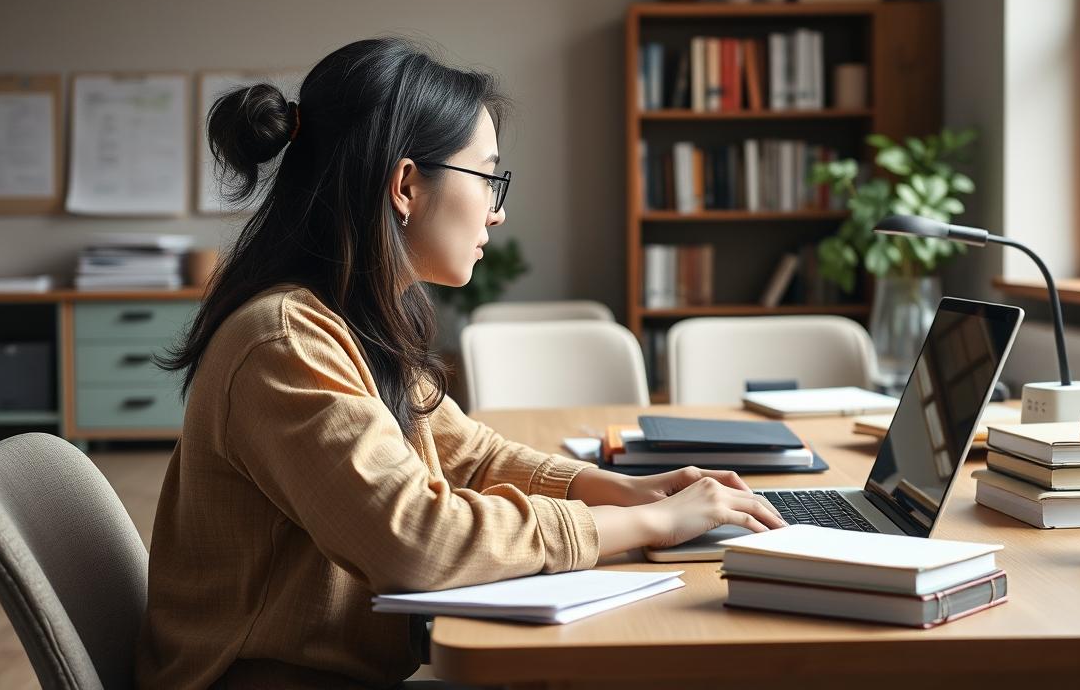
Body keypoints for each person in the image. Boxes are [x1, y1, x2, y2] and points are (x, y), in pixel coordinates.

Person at [135, 37, 784, 689]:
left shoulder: (350, 319)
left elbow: (468, 456)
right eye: (489, 177)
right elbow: (416, 541)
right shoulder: (284, 340)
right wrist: (643, 523)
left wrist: (610, 488)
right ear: (408, 185)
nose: (498, 211)